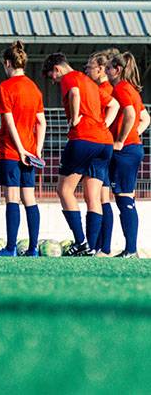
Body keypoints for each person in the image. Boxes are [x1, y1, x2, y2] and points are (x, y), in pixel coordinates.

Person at [42, 53, 118, 256]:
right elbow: (114, 105)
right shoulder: (91, 83)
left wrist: (75, 118)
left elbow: (74, 93)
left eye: (53, 77)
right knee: (93, 196)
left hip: (83, 139)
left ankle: (81, 241)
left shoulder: (69, 78)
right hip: (104, 142)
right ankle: (91, 248)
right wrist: (103, 125)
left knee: (64, 190)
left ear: (57, 69)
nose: (55, 81)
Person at [0, 41, 46, 257]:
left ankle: (10, 247)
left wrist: (21, 149)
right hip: (30, 152)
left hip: (11, 151)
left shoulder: (5, 87)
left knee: (12, 198)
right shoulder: (34, 88)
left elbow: (9, 121)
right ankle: (33, 248)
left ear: (7, 63)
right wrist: (36, 151)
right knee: (30, 198)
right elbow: (41, 122)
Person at [105, 52, 150, 258]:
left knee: (124, 198)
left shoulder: (122, 88)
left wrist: (122, 140)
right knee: (125, 197)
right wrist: (133, 135)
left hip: (126, 151)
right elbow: (145, 119)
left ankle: (131, 249)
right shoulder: (130, 89)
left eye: (108, 68)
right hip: (132, 148)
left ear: (118, 70)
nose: (106, 71)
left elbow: (132, 114)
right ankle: (129, 249)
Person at [85, 49, 119, 255]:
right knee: (102, 197)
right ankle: (100, 246)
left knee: (100, 198)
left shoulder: (105, 90)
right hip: (106, 147)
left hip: (103, 147)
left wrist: (102, 128)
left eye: (89, 66)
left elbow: (117, 110)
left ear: (100, 69)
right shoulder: (104, 87)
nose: (87, 70)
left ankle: (101, 247)